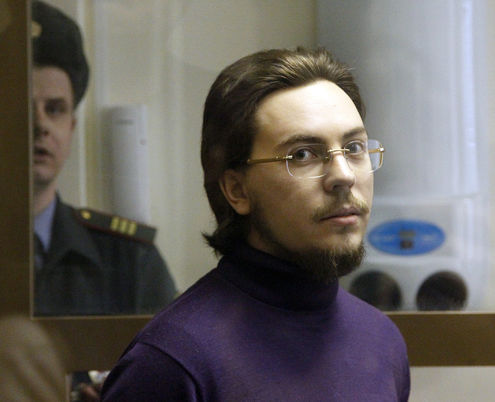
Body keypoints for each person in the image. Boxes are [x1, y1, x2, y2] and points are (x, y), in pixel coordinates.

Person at [101, 47, 410, 401]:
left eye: (354, 148)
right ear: (237, 190)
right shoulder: (174, 363)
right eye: (303, 154)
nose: (343, 175)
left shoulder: (381, 341)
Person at [32, 0, 177, 316]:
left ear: (71, 127)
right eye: (22, 108)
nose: (40, 125)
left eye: (54, 109)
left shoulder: (129, 260)